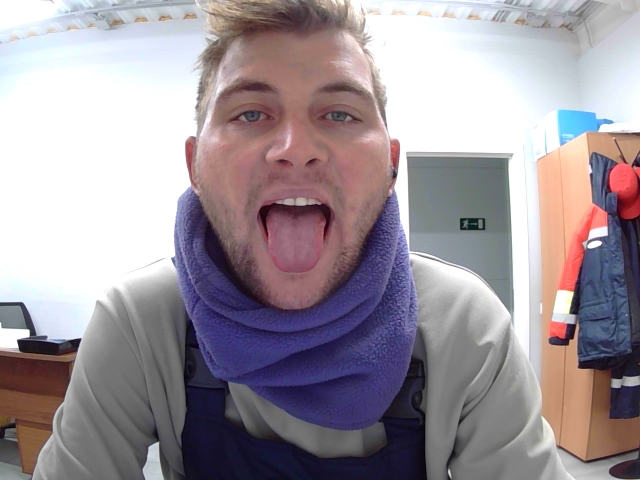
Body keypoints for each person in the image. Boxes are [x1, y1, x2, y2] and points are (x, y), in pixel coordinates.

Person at [32, 1, 573, 479]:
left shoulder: (465, 326)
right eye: (250, 113)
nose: (295, 148)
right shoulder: (140, 319)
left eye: (339, 113)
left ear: (390, 165)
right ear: (195, 165)